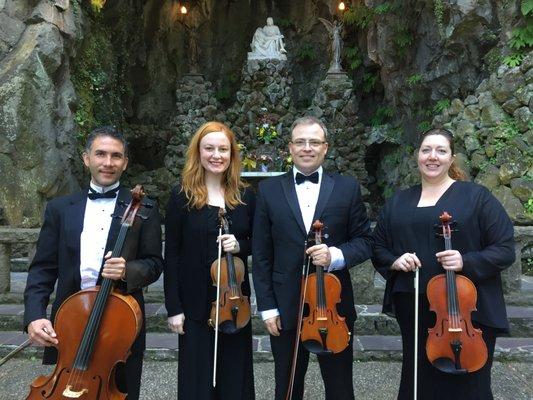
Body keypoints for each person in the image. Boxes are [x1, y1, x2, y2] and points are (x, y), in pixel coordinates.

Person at [372, 128, 515, 399]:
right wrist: (394, 260)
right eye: (426, 150)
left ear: (452, 158)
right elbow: (377, 246)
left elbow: (505, 249)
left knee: (469, 385)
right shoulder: (399, 201)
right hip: (416, 309)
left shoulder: (476, 197)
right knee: (419, 381)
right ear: (417, 156)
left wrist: (466, 260)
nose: (432, 157)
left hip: (467, 308)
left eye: (441, 151)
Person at [23, 126, 164, 400]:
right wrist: (34, 315)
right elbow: (43, 268)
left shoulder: (145, 208)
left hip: (120, 324)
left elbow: (154, 263)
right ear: (86, 158)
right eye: (100, 154)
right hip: (69, 321)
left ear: (125, 162)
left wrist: (128, 270)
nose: (108, 163)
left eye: (116, 156)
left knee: (120, 391)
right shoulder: (60, 208)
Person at [252, 116, 373, 400]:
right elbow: (261, 254)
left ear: (325, 147)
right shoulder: (268, 190)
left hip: (334, 306)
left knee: (340, 385)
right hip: (285, 304)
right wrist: (268, 307)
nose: (307, 148)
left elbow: (366, 241)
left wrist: (336, 255)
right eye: (300, 142)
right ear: (290, 148)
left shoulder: (347, 187)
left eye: (314, 142)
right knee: (288, 384)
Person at [164, 121, 255, 400]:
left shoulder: (245, 196)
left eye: (223, 149)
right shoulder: (181, 197)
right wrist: (173, 307)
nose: (216, 155)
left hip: (234, 303)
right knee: (197, 380)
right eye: (209, 149)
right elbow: (173, 256)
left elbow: (259, 244)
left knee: (233, 378)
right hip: (194, 305)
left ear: (232, 155)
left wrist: (240, 245)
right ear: (198, 153)